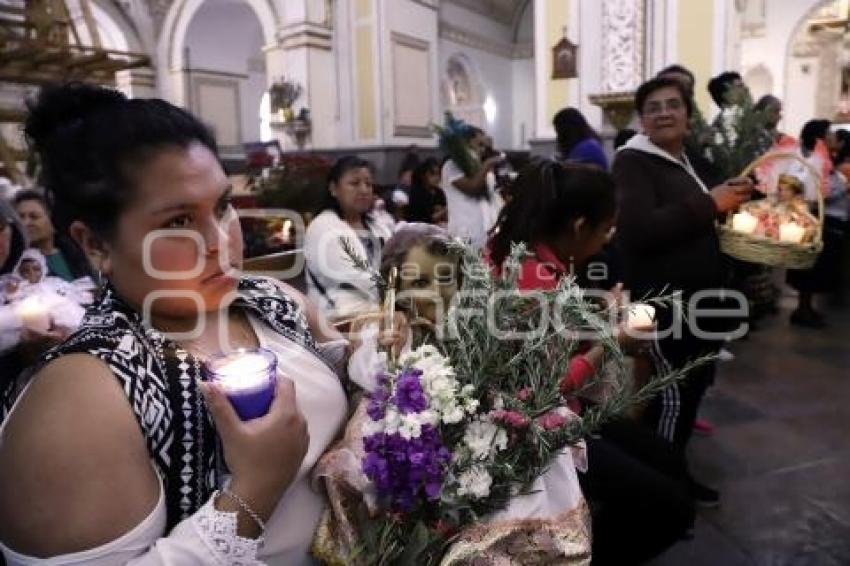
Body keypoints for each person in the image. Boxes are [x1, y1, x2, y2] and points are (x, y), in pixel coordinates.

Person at [0, 82, 350, 564]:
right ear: (95, 243)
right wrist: (255, 489)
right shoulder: (82, 395)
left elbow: (356, 381)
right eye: (180, 221)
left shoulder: (273, 299)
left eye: (223, 206)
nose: (221, 240)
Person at [487, 159, 695, 566]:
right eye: (605, 230)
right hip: (537, 431)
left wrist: (598, 317)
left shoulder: (530, 253)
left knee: (667, 459)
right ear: (580, 226)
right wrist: (613, 343)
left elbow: (546, 341)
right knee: (671, 508)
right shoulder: (536, 278)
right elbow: (549, 385)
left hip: (561, 409)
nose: (607, 241)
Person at [613, 77, 754, 506]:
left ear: (688, 117)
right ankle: (665, 489)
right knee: (672, 394)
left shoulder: (691, 160)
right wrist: (710, 203)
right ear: (642, 119)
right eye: (653, 107)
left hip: (701, 301)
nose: (663, 113)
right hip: (662, 302)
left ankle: (662, 477)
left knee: (689, 392)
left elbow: (720, 197)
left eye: (673, 105)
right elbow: (637, 232)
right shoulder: (633, 162)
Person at [304, 156, 392, 323]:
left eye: (368, 184)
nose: (364, 190)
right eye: (354, 183)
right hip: (338, 323)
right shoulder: (323, 228)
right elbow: (360, 280)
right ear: (333, 188)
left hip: (377, 314)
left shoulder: (376, 225)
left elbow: (398, 260)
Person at [786, 120, 849, 326]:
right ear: (819, 137)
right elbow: (817, 192)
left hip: (825, 220)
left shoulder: (822, 158)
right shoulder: (812, 160)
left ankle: (806, 308)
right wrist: (844, 187)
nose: (833, 137)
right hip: (819, 221)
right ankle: (803, 310)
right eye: (829, 133)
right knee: (811, 268)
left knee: (816, 269)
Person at [441, 127, 503, 250]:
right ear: (464, 144)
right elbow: (472, 188)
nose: (482, 150)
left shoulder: (477, 167)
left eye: (484, 147)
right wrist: (487, 164)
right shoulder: (452, 165)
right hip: (462, 231)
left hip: (479, 229)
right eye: (479, 145)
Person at [12, 190, 91, 282]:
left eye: (34, 217)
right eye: (20, 217)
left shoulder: (77, 254)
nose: (26, 223)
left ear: (53, 220)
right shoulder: (11, 263)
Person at [406, 157, 447, 225]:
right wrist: (444, 211)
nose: (437, 177)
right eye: (432, 174)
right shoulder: (417, 193)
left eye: (438, 174)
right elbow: (426, 219)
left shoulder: (439, 192)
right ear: (423, 175)